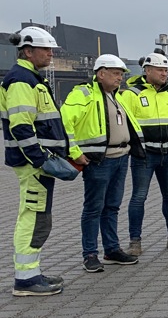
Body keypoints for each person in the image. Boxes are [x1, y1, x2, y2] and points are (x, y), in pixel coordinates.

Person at [1, 27, 70, 296]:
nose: (51, 54)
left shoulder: (30, 78)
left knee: (38, 217)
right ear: (27, 51)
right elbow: (21, 127)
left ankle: (31, 273)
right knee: (33, 217)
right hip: (33, 165)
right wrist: (40, 159)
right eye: (46, 49)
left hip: (37, 164)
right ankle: (26, 280)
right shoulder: (21, 81)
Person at [61, 54, 144, 273]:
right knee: (93, 208)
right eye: (116, 73)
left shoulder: (116, 96)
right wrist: (74, 152)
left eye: (121, 74)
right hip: (99, 161)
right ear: (101, 74)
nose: (120, 78)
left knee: (111, 207)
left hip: (120, 158)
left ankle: (111, 250)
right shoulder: (84, 94)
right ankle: (90, 254)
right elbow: (65, 122)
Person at [119, 50, 168, 255]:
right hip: (145, 155)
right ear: (147, 70)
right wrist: (136, 148)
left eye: (166, 70)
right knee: (138, 197)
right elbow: (126, 124)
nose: (164, 74)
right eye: (160, 70)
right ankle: (135, 241)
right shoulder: (132, 94)